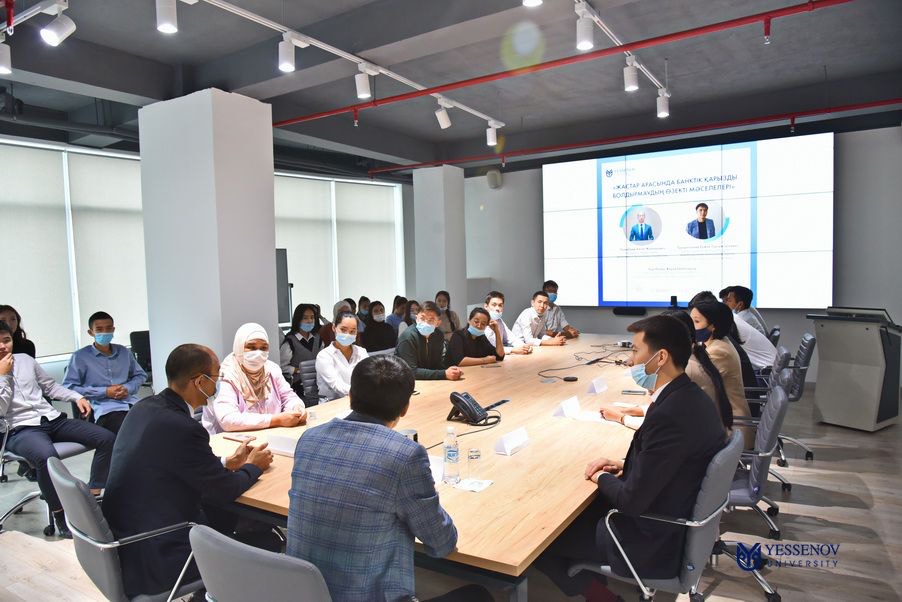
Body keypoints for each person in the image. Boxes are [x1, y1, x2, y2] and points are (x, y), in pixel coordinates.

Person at [535, 315, 726, 598]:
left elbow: (630, 501)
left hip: (652, 539)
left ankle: (603, 597)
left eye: (636, 351)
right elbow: (672, 462)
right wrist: (624, 464)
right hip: (672, 516)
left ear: (661, 357)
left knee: (541, 542)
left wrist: (600, 476)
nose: (630, 360)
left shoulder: (669, 415)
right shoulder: (688, 397)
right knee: (573, 516)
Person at [288, 355, 490, 602]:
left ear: (350, 396)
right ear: (405, 407)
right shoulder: (405, 455)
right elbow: (441, 542)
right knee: (479, 595)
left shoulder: (309, 439)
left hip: (305, 593)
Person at [102, 343, 273, 598]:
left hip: (130, 541)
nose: (217, 383)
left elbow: (174, 463)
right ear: (199, 381)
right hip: (160, 554)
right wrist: (253, 466)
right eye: (216, 376)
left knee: (226, 517)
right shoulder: (183, 427)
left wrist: (226, 463)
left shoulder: (145, 408)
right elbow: (224, 490)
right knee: (268, 540)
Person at [0, 320, 114, 538]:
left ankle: (93, 494)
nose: (3, 346)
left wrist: (77, 397)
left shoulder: (25, 360)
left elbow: (50, 387)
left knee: (107, 438)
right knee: (46, 457)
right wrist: (3, 376)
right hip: (19, 429)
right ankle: (60, 516)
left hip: (50, 419)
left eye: (7, 340)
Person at [599, 310, 733, 434]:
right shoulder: (690, 359)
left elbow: (659, 425)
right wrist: (628, 410)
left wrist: (621, 418)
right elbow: (666, 409)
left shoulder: (686, 371)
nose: (630, 361)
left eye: (636, 351)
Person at [203, 323, 306, 434]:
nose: (258, 353)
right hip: (231, 440)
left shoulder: (272, 369)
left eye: (263, 348)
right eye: (251, 347)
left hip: (270, 434)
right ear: (239, 347)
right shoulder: (226, 374)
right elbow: (228, 420)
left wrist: (297, 408)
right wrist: (276, 420)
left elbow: (288, 396)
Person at [63, 311, 148, 434]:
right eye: (99, 329)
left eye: (108, 328)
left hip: (132, 403)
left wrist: (127, 388)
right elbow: (68, 387)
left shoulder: (124, 352)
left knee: (155, 423)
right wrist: (105, 392)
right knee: (131, 430)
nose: (104, 332)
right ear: (91, 332)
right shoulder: (80, 357)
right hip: (104, 409)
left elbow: (140, 375)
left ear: (113, 330)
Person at [690, 301, 754, 448]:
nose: (691, 326)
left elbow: (693, 382)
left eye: (696, 322)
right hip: (720, 418)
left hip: (730, 427)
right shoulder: (716, 343)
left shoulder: (719, 351)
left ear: (713, 326)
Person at [396, 301, 463, 381]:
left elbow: (436, 364)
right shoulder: (408, 337)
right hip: (404, 381)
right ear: (416, 318)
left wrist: (450, 371)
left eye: (431, 320)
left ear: (438, 323)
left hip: (427, 381)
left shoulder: (438, 335)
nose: (425, 323)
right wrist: (444, 374)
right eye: (422, 318)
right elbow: (412, 371)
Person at [315, 311, 369, 400]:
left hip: (359, 400)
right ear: (334, 328)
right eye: (343, 330)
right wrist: (361, 393)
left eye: (352, 331)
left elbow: (368, 377)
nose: (348, 334)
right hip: (332, 403)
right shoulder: (324, 356)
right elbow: (337, 385)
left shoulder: (361, 352)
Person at [279, 303, 325, 391]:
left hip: (318, 383)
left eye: (312, 317)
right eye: (305, 318)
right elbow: (281, 366)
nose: (309, 321)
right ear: (298, 320)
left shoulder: (318, 339)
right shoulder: (290, 341)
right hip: (297, 385)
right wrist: (297, 370)